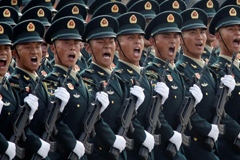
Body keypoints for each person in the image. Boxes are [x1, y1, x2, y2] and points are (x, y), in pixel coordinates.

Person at [44, 16, 126, 160]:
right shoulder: (51, 81)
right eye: (66, 42)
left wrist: (113, 139)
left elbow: (92, 117)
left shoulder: (80, 81)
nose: (72, 47)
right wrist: (72, 143)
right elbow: (52, 121)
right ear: (53, 48)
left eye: (76, 43)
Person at [8, 19, 80, 160]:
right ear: (15, 53)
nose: (34, 52)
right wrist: (37, 144)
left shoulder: (39, 82)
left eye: (38, 46)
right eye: (28, 47)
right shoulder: (14, 84)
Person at [175, 8, 235, 160]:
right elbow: (184, 113)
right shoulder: (181, 71)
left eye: (202, 32)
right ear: (181, 39)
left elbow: (218, 110)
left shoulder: (209, 71)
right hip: (193, 147)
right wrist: (207, 129)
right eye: (193, 33)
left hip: (210, 145)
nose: (200, 37)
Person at [114, 11, 170, 160]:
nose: (137, 42)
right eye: (130, 38)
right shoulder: (118, 77)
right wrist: (141, 135)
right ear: (117, 45)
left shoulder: (145, 76)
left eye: (139, 37)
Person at [145, 11, 198, 160]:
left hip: (177, 148)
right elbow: (154, 112)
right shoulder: (152, 72)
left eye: (176, 36)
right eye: (166, 37)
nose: (173, 41)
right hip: (161, 149)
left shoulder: (176, 73)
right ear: (153, 41)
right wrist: (170, 134)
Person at [209, 5, 240, 160]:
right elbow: (215, 111)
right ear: (218, 36)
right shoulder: (214, 72)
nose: (238, 33)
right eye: (231, 29)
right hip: (229, 149)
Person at [128, 0, 159, 66]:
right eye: (145, 22)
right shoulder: (135, 58)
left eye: (152, 22)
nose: (149, 27)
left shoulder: (162, 55)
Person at [192, 0, 219, 65]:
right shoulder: (200, 56)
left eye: (213, 21)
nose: (211, 25)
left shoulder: (215, 53)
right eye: (207, 22)